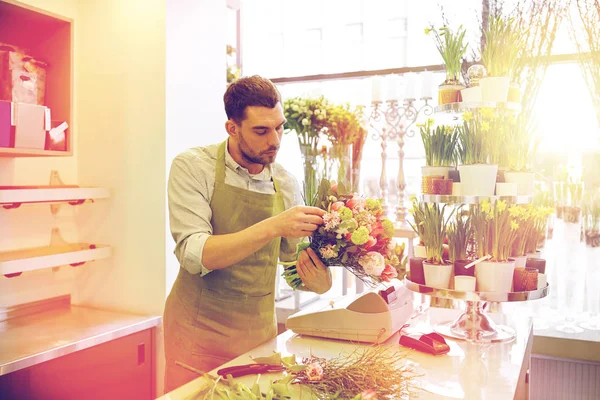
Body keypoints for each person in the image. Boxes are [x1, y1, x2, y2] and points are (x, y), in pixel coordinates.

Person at [163, 75, 333, 392]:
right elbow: (195, 254)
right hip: (197, 335)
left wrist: (319, 281)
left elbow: (294, 267)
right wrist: (274, 225)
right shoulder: (192, 167)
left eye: (280, 127)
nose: (275, 140)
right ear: (232, 128)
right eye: (261, 130)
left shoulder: (286, 182)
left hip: (259, 336)